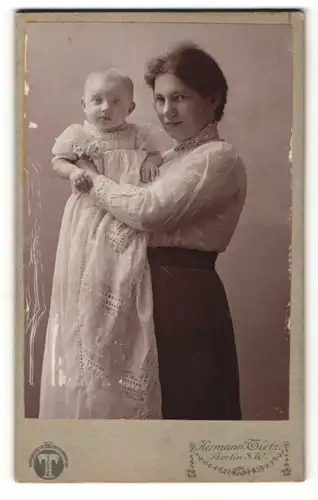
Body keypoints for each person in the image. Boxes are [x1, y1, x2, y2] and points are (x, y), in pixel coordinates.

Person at [79, 43, 247, 420]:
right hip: (147, 289)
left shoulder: (216, 158)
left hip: (183, 296)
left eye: (180, 97)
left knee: (188, 402)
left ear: (213, 98)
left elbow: (147, 211)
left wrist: (91, 178)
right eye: (159, 99)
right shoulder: (168, 158)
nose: (167, 111)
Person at [39, 68, 163, 419]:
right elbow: (57, 161)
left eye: (115, 101)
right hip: (89, 217)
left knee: (126, 289)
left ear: (131, 106)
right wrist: (74, 172)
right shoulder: (79, 134)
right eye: (97, 100)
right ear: (83, 103)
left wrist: (152, 161)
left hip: (125, 219)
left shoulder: (139, 135)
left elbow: (157, 154)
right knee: (86, 288)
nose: (105, 108)